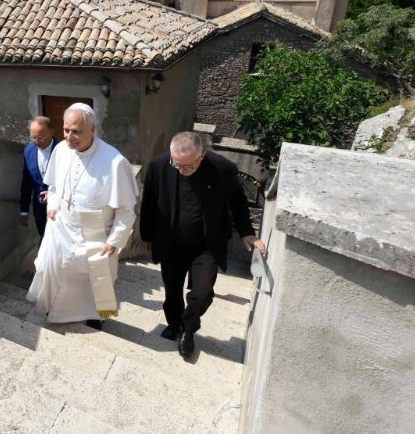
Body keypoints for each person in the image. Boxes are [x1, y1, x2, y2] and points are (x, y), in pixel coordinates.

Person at [139, 131, 266, 359]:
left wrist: (247, 232)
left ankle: (188, 328)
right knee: (172, 291)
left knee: (203, 293)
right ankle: (175, 325)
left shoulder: (222, 169)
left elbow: (237, 201)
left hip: (206, 245)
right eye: (176, 164)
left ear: (202, 156)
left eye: (188, 166)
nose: (181, 170)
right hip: (171, 242)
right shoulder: (159, 165)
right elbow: (149, 201)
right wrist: (147, 235)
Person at [26, 103, 139, 329]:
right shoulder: (60, 150)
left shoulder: (115, 162)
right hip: (61, 225)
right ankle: (53, 307)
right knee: (52, 269)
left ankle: (97, 317)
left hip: (96, 231)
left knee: (97, 280)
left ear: (93, 129)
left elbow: (126, 209)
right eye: (66, 130)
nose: (69, 137)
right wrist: (53, 205)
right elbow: (54, 186)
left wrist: (115, 240)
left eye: (76, 131)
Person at [19, 116, 57, 237]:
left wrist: (53, 195)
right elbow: (26, 182)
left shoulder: (64, 150)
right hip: (39, 208)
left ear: (51, 132)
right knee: (44, 236)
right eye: (33, 137)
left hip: (59, 207)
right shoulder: (28, 151)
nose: (36, 141)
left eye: (40, 137)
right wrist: (24, 210)